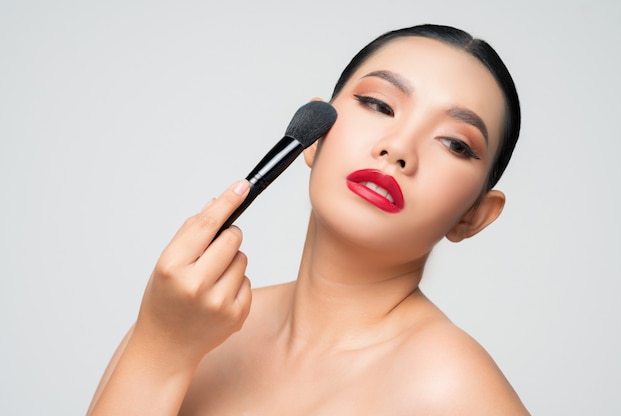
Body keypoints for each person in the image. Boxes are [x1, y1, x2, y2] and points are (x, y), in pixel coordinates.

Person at [88, 24, 529, 415]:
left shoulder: (454, 390)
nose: (398, 148)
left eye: (454, 143)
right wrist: (159, 349)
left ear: (474, 216)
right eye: (379, 104)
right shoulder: (184, 322)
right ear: (312, 135)